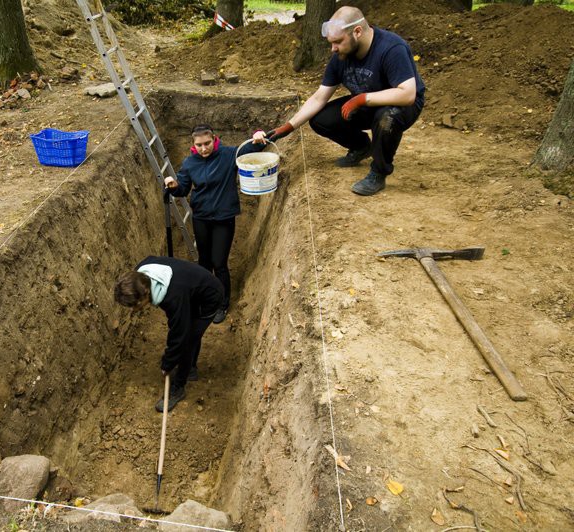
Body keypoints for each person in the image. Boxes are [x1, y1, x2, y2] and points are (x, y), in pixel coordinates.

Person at [254, 6, 425, 196]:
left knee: (386, 117)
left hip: (402, 106)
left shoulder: (391, 48)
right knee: (321, 119)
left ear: (357, 32)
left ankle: (378, 172)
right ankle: (361, 146)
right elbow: (319, 97)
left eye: (337, 42)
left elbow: (407, 94)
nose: (333, 48)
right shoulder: (341, 56)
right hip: (367, 103)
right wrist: (285, 128)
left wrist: (361, 98)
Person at [163, 124, 266, 324]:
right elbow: (183, 189)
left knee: (219, 263)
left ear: (214, 139)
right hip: (201, 217)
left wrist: (258, 137)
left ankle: (222, 304)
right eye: (199, 145)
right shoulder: (189, 163)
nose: (203, 148)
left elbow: (251, 148)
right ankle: (205, 298)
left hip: (223, 218)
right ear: (193, 144)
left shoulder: (229, 155)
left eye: (207, 143)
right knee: (204, 262)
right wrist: (174, 185)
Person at [114, 255, 224, 412]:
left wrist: (168, 363)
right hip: (191, 289)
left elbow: (179, 335)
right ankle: (190, 368)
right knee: (188, 333)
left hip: (209, 297)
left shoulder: (173, 296)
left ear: (145, 294)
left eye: (134, 306)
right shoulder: (141, 272)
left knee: (188, 340)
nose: (134, 310)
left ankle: (178, 388)